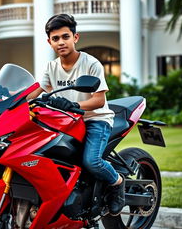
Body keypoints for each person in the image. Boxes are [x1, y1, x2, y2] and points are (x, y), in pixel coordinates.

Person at [29, 13, 125, 216]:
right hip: (65, 122)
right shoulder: (51, 67)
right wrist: (3, 96)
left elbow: (98, 100)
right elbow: (34, 92)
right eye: (55, 39)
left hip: (94, 120)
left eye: (65, 36)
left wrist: (73, 105)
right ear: (49, 42)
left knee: (92, 161)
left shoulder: (91, 64)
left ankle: (117, 183)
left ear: (75, 37)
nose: (61, 42)